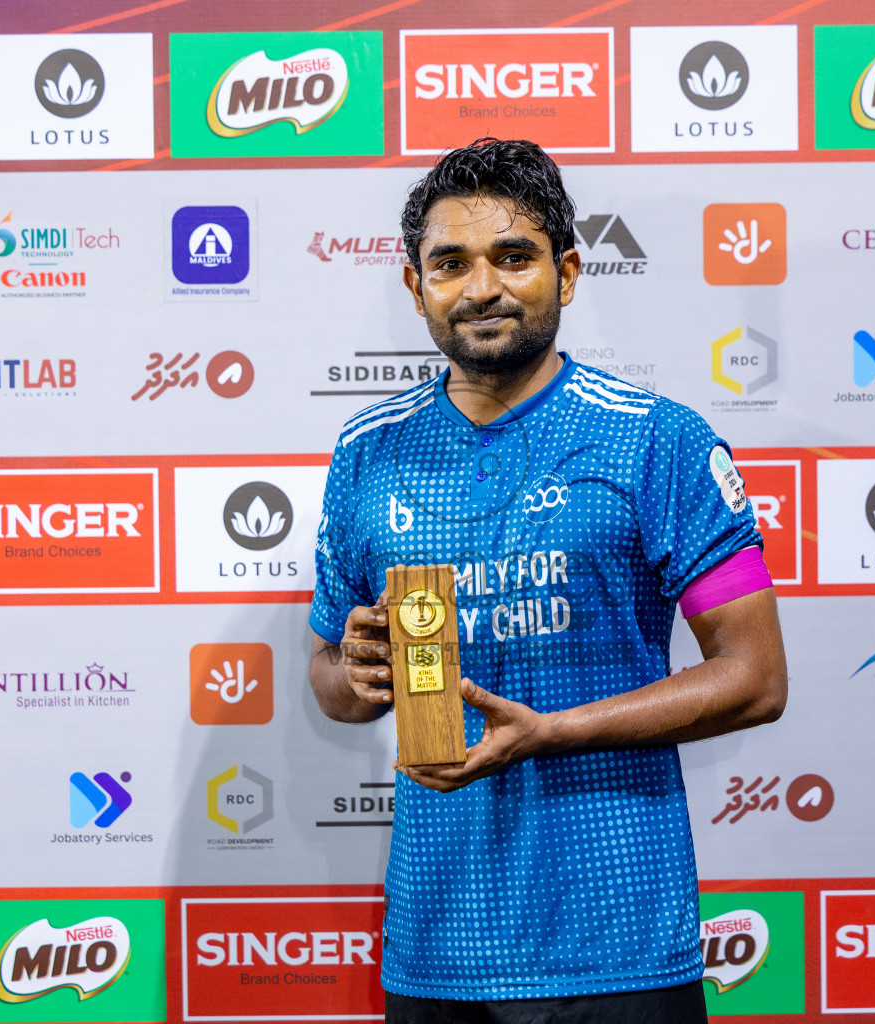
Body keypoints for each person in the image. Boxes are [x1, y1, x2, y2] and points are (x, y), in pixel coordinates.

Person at [308, 138, 788, 1023]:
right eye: (450, 263)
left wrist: (550, 732)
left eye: (514, 257)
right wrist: (359, 673)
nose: (481, 286)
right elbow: (330, 683)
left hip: (621, 947)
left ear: (566, 273)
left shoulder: (657, 439)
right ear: (416, 287)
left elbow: (755, 679)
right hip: (436, 947)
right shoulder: (366, 454)